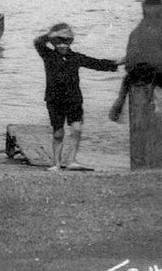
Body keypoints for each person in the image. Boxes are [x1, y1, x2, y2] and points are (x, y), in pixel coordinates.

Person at [33, 23, 120, 170]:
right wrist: (52, 34)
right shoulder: (48, 55)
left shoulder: (76, 57)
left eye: (65, 42)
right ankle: (57, 164)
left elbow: (96, 63)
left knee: (77, 129)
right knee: (58, 133)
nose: (62, 46)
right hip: (54, 99)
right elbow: (38, 42)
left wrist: (118, 62)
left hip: (74, 99)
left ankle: (72, 161)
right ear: (54, 43)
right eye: (59, 42)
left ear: (70, 43)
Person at [109, 0, 162, 122]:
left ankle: (120, 99)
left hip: (135, 75)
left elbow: (134, 56)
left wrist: (122, 61)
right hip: (156, 74)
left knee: (129, 78)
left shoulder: (137, 31)